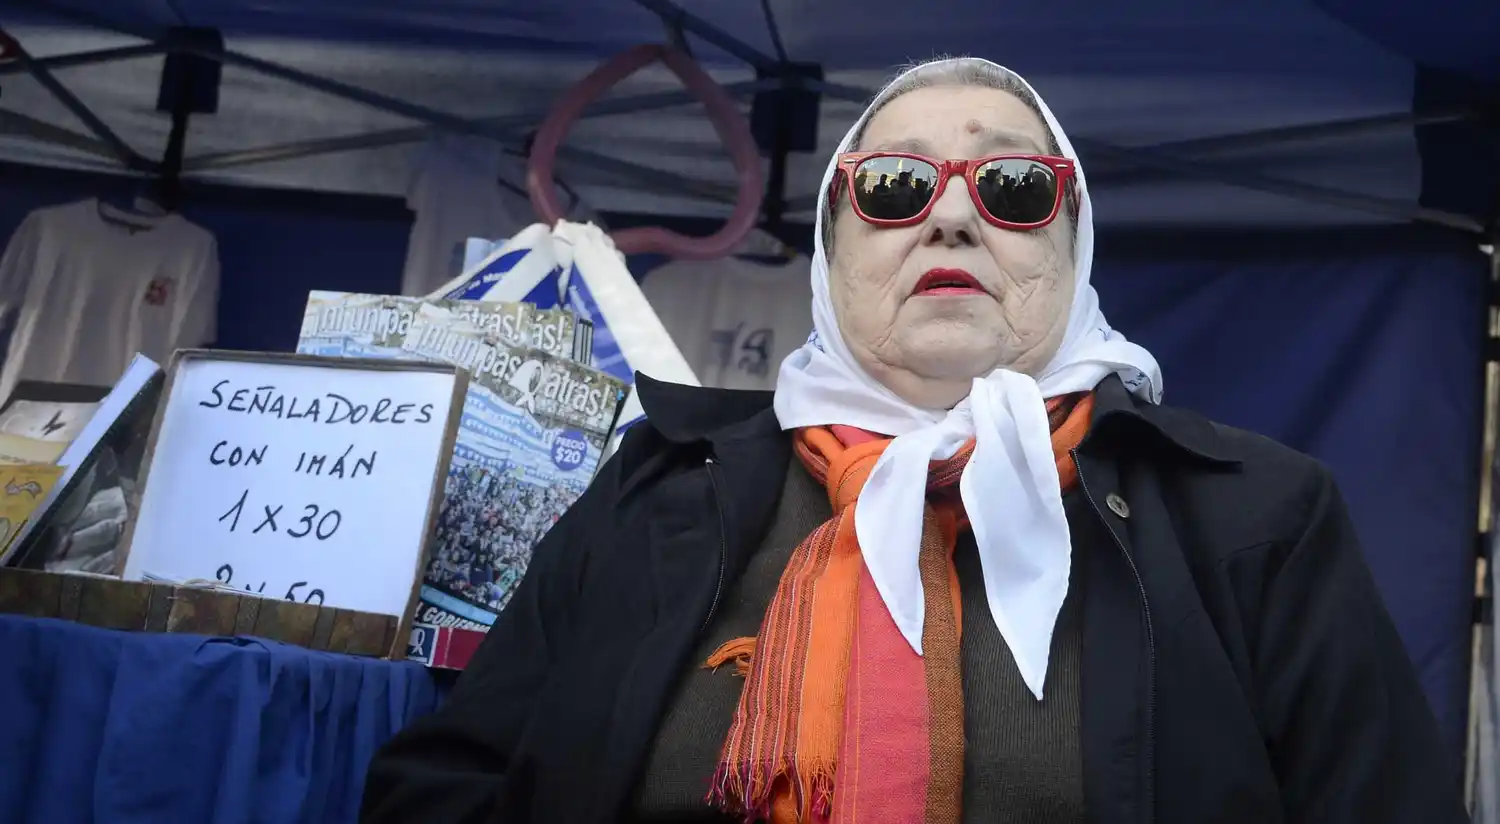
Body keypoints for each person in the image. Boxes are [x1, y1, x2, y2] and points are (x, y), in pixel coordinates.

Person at [361, 57, 1468, 824]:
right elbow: (446, 786)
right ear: (833, 249)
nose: (950, 216)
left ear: (1074, 245)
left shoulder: (1252, 515)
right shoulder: (657, 493)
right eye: (893, 187)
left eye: (1013, 186)